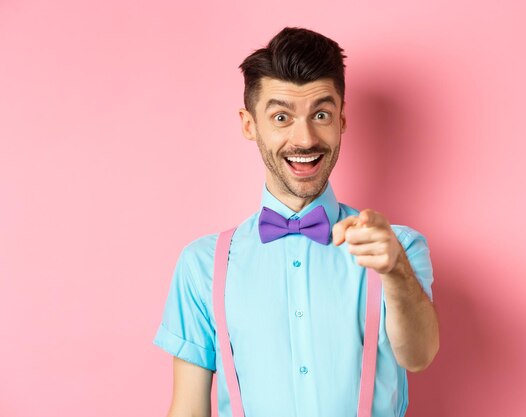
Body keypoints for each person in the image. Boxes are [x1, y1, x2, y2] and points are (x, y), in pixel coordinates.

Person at [153, 27, 439, 417]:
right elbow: (187, 409)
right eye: (282, 117)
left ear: (341, 120)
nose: (304, 138)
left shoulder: (399, 248)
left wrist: (395, 271)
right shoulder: (202, 265)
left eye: (320, 114)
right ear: (249, 124)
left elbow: (419, 356)